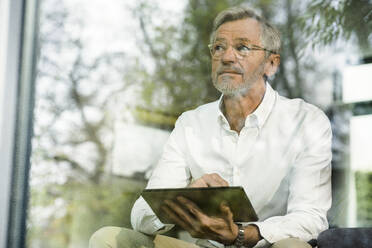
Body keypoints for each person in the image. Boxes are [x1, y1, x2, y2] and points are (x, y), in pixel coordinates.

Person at [89, 6, 332, 248]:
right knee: (108, 239)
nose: (227, 57)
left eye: (242, 47)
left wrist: (240, 234)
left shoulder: (307, 120)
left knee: (292, 247)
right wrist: (184, 198)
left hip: (268, 246)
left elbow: (311, 218)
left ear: (271, 63)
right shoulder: (190, 124)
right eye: (218, 47)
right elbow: (141, 215)